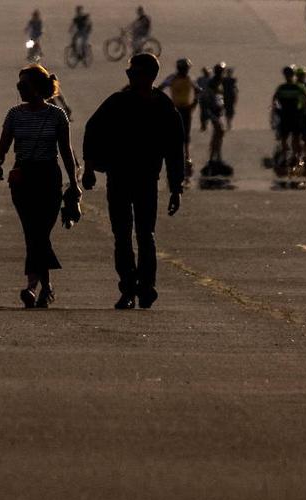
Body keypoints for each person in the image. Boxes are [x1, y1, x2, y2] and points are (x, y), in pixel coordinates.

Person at [83, 52, 184, 310]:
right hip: (119, 177)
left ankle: (145, 287)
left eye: (132, 72)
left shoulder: (164, 107)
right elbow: (92, 130)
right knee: (123, 235)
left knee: (144, 235)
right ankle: (129, 287)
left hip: (146, 180)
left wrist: (176, 188)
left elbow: (175, 151)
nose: (128, 76)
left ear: (147, 76)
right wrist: (89, 167)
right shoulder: (118, 102)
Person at [0, 64, 79, 309]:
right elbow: (4, 145)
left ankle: (39, 287)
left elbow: (66, 151)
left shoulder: (57, 116)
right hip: (23, 178)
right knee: (34, 232)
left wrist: (74, 183)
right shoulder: (14, 114)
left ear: (38, 88)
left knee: (38, 233)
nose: (19, 90)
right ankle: (37, 287)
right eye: (19, 86)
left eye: (24, 86)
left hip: (49, 177)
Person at [158, 58, 198, 176]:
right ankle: (175, 155)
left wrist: (194, 103)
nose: (185, 71)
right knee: (174, 133)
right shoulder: (172, 78)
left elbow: (197, 90)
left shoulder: (189, 79)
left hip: (185, 108)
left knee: (186, 133)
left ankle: (186, 155)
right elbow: (160, 88)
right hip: (175, 109)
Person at [272, 66, 306, 174]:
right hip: (288, 115)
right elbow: (275, 100)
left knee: (294, 137)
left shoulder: (296, 87)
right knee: (286, 138)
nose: (288, 76)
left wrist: (302, 109)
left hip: (292, 115)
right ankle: (287, 157)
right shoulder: (284, 87)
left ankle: (294, 157)